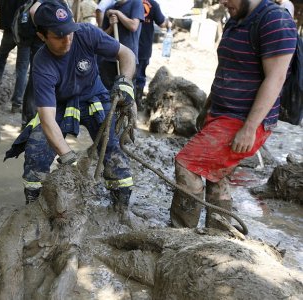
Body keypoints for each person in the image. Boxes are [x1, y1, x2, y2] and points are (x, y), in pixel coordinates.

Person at [170, 0, 297, 230]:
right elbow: (225, 69)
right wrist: (208, 107)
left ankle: (180, 233)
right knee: (217, 175)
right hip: (221, 114)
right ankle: (218, 234)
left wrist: (249, 128)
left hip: (243, 120)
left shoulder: (275, 21)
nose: (223, 3)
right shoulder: (235, 19)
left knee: (186, 165)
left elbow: (276, 78)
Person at [5, 1, 136, 211]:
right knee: (36, 152)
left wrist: (126, 82)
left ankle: (120, 209)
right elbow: (47, 119)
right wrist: (68, 159)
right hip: (59, 104)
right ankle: (34, 208)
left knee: (111, 148)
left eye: (69, 32)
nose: (67, 40)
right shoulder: (42, 65)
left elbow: (127, 54)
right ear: (42, 36)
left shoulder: (86, 33)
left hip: (94, 97)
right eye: (58, 36)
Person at [0, 0, 31, 113]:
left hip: (10, 29)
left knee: (1, 56)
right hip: (25, 32)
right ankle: (17, 104)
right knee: (22, 69)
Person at [99, 0, 144, 91]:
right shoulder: (110, 9)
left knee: (127, 93)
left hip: (128, 60)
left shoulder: (136, 3)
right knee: (108, 93)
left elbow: (133, 26)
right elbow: (102, 36)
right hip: (109, 59)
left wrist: (118, 14)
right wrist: (111, 26)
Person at [135, 0, 170, 103]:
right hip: (144, 47)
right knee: (140, 75)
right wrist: (168, 23)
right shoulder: (153, 4)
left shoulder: (130, 1)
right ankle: (137, 102)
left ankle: (127, 102)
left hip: (129, 44)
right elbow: (162, 23)